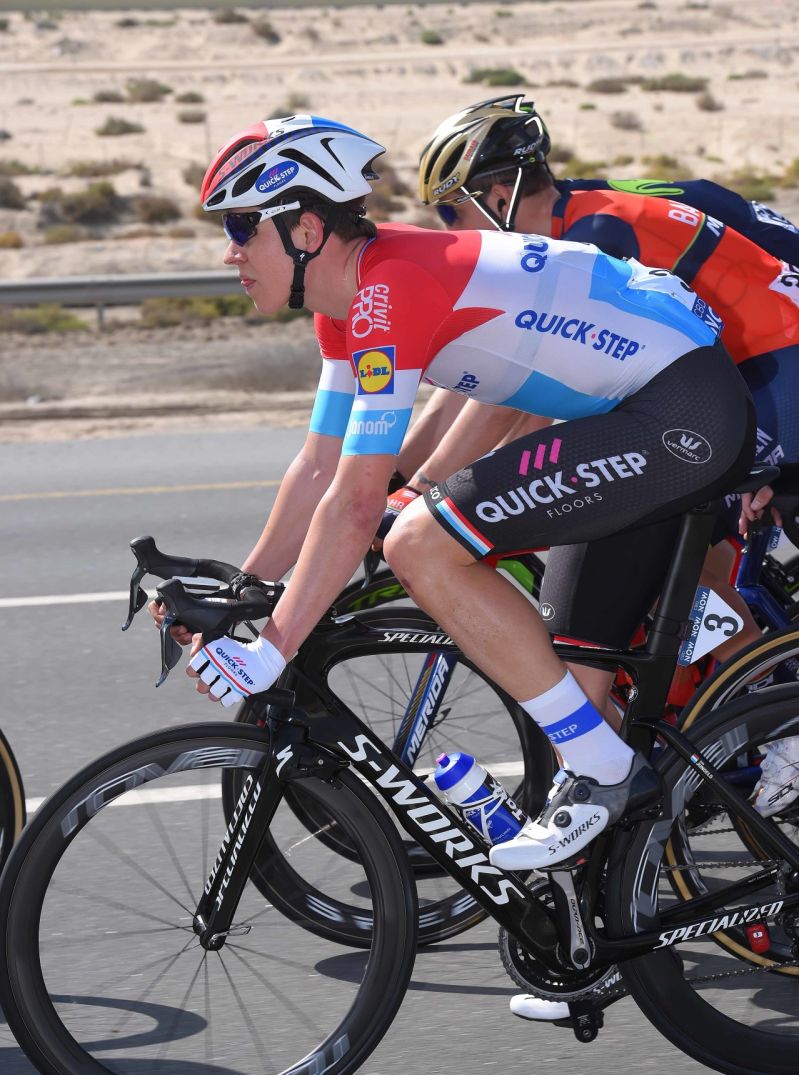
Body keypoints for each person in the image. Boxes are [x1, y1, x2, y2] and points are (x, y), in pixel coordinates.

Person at [154, 112, 755, 1016]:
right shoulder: (348, 306)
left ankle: (610, 765)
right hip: (633, 415)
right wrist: (247, 590)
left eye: (243, 227)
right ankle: (592, 944)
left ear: (305, 228)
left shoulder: (388, 290)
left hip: (681, 413)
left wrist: (273, 644)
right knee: (569, 683)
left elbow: (358, 504)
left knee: (419, 540)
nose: (230, 252)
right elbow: (318, 470)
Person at [407, 93, 799, 701]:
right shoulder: (568, 222)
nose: (448, 232)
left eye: (451, 213)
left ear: (497, 197)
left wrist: (424, 489)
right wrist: (404, 472)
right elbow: (484, 379)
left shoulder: (594, 235)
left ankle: (763, 695)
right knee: (664, 531)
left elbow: (524, 396)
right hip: (736, 369)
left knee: (658, 531)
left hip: (775, 368)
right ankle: (725, 684)